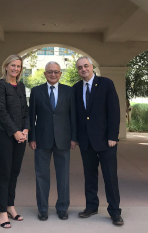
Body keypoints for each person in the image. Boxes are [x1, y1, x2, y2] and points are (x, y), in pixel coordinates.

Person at [73, 57, 124, 226]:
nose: (83, 69)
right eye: (80, 67)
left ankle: (115, 212)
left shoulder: (106, 84)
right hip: (86, 142)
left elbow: (114, 111)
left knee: (110, 177)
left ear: (92, 67)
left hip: (105, 141)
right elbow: (77, 117)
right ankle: (91, 206)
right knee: (89, 176)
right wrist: (76, 138)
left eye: (86, 66)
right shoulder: (76, 88)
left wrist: (112, 136)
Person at [28, 61, 77, 221]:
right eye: (50, 71)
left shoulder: (69, 92)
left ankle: (62, 208)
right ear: (45, 74)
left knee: (63, 176)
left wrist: (74, 138)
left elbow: (73, 117)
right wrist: (32, 138)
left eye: (56, 71)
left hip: (63, 139)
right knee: (42, 175)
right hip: (41, 140)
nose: (53, 74)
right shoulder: (36, 91)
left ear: (60, 73)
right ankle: (42, 209)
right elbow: (31, 116)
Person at [0, 54, 29, 228]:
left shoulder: (21, 86)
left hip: (20, 135)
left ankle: (10, 206)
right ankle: (1, 211)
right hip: (3, 134)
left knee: (14, 172)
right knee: (4, 172)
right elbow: (1, 111)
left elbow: (25, 110)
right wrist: (14, 131)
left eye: (18, 66)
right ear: (6, 66)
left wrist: (26, 130)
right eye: (12, 65)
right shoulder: (0, 85)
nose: (15, 69)